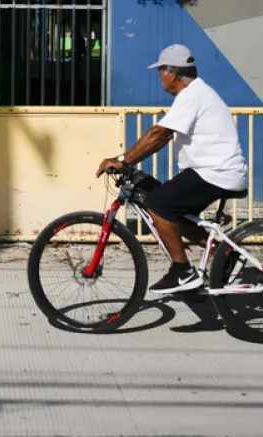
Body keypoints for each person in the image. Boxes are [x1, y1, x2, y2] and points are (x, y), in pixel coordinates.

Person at [95, 44, 248, 295]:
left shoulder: (192, 95)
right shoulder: (195, 94)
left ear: (172, 74)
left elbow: (159, 135)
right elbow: (163, 136)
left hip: (215, 173)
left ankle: (182, 271)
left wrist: (123, 159)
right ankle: (226, 255)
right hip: (211, 172)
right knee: (174, 212)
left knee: (158, 204)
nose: (160, 77)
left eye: (161, 71)